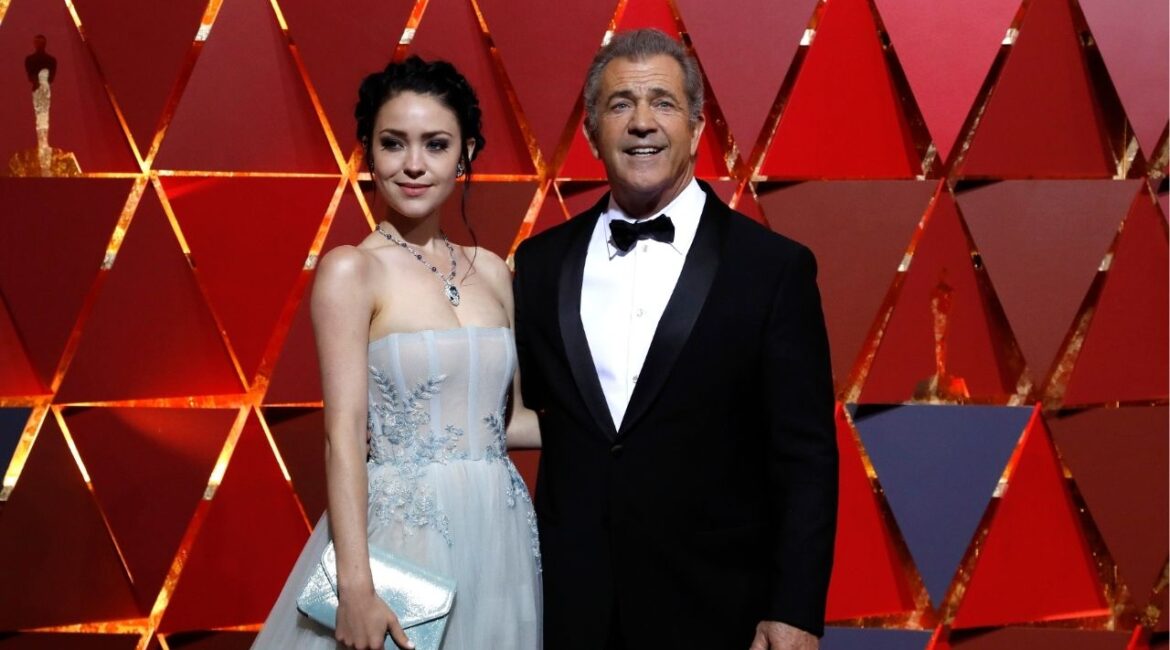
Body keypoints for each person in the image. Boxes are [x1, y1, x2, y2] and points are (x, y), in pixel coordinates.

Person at [512, 29, 837, 649]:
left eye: (662, 102)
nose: (641, 123)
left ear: (695, 124)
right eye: (619, 105)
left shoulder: (772, 269)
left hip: (719, 611)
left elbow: (806, 456)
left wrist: (795, 608)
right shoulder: (539, 264)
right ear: (590, 132)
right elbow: (536, 418)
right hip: (570, 608)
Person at [254, 56, 542, 650]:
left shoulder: (492, 270)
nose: (413, 164)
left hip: (500, 533)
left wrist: (628, 428)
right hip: (403, 540)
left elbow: (508, 421)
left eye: (436, 144)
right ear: (368, 153)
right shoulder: (350, 270)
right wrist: (355, 589)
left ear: (464, 156)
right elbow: (343, 433)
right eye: (393, 143)